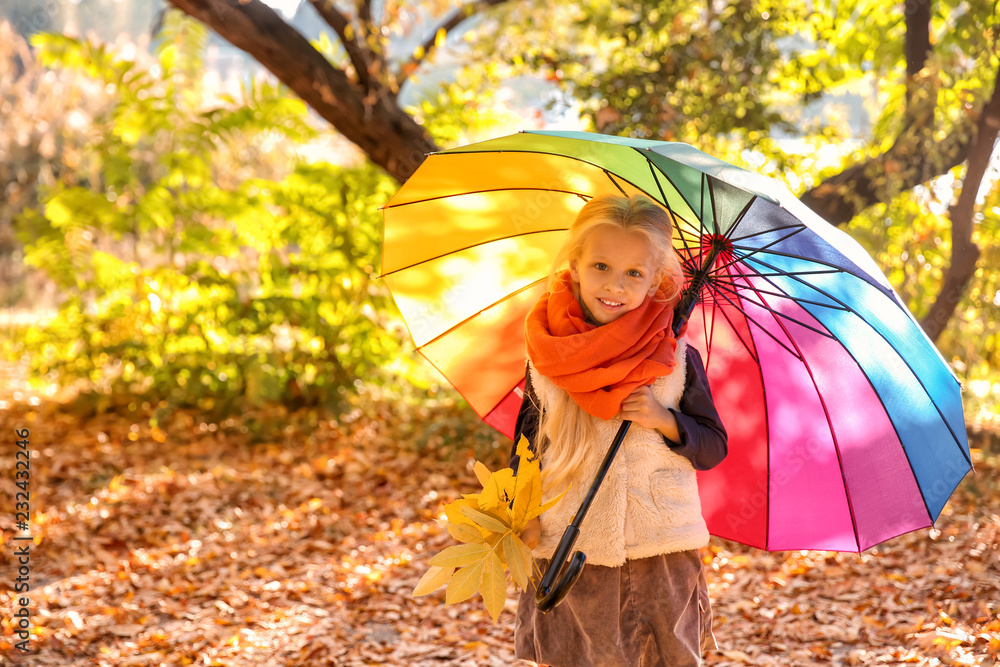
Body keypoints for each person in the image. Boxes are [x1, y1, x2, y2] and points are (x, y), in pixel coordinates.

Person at [509, 193, 728, 667]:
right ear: (575, 265)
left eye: (634, 273)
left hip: (659, 553)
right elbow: (526, 446)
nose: (615, 285)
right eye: (602, 266)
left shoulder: (675, 358)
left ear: (657, 280)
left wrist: (665, 419)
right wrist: (519, 510)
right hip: (567, 548)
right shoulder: (547, 356)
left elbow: (713, 446)